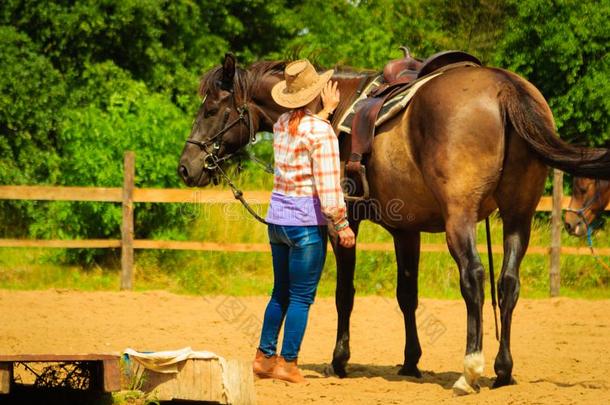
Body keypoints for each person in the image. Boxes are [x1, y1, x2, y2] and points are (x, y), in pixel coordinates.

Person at [253, 59, 356, 383]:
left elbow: (305, 132)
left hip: (277, 221)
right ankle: (289, 363)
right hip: (305, 227)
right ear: (314, 93)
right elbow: (328, 184)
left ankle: (264, 358)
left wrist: (325, 112)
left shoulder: (282, 123)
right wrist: (341, 225)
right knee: (301, 297)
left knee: (280, 292)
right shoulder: (321, 132)